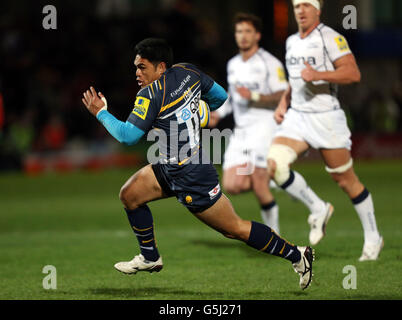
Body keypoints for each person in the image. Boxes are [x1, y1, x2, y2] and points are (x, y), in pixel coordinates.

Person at [82, 38, 315, 289]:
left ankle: (298, 255)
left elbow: (128, 136)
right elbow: (220, 97)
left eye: (142, 67)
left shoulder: (149, 95)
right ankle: (150, 257)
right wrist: (198, 111)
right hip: (171, 166)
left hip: (191, 175)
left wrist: (101, 112)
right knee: (130, 195)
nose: (137, 73)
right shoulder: (187, 71)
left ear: (161, 67)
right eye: (136, 67)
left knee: (234, 228)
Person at [267, 0, 383, 261]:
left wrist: (319, 74)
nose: (301, 11)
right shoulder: (291, 41)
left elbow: (353, 73)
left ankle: (374, 236)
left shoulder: (331, 37)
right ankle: (318, 208)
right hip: (297, 117)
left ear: (317, 9)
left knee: (345, 180)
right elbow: (295, 80)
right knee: (274, 166)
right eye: (297, 6)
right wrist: (284, 103)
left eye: (307, 5)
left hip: (326, 117)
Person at [209, 13, 287, 233]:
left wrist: (254, 96)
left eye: (247, 32)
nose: (243, 36)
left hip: (264, 126)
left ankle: (274, 237)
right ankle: (279, 176)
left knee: (260, 186)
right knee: (233, 185)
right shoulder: (233, 64)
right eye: (239, 32)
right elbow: (233, 97)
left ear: (257, 35)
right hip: (241, 131)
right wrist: (218, 113)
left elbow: (282, 95)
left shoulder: (269, 63)